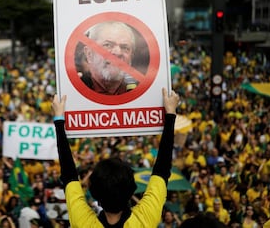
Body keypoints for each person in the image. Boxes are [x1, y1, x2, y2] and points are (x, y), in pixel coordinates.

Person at [52, 88, 179, 227]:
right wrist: (171, 114)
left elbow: (69, 176)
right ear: (131, 191)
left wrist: (59, 120)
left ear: (94, 193)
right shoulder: (145, 220)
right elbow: (162, 171)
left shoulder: (84, 223)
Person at [79, 21, 140, 95]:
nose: (118, 52)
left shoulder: (145, 91)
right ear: (89, 54)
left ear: (131, 56)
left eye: (125, 47)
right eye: (108, 45)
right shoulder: (72, 91)